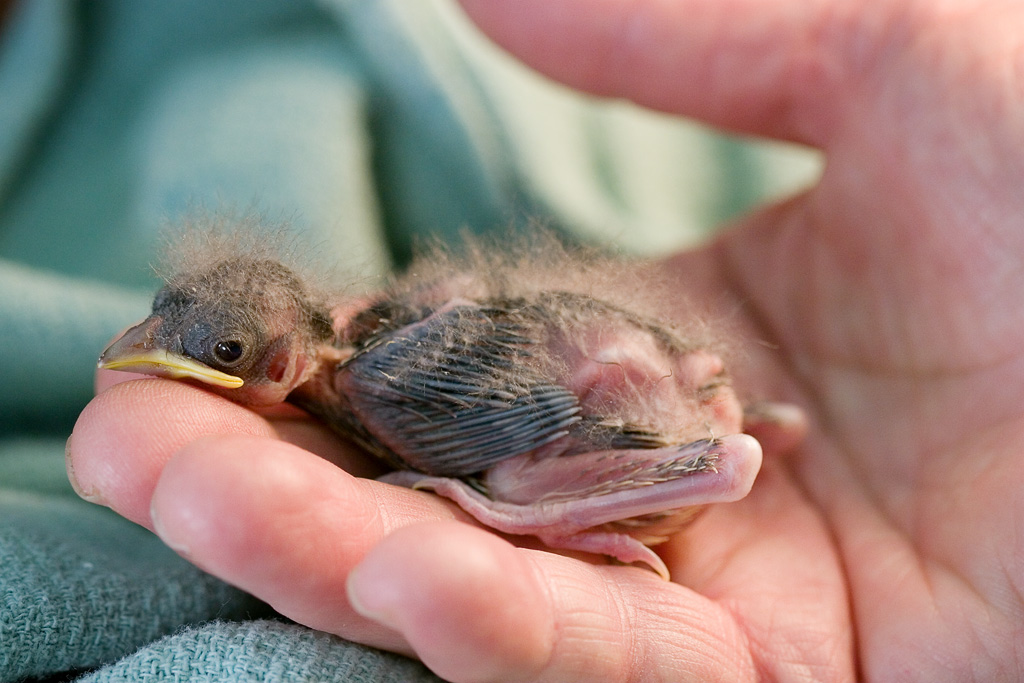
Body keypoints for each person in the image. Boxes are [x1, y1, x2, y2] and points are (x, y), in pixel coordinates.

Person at [62, 0, 1024, 680]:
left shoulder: (379, 388)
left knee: (505, 483)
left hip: (635, 425)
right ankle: (723, 423)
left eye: (221, 355)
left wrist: (471, 491)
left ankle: (717, 460)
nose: (168, 350)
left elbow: (542, 407)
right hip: (648, 377)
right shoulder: (387, 330)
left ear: (278, 366)